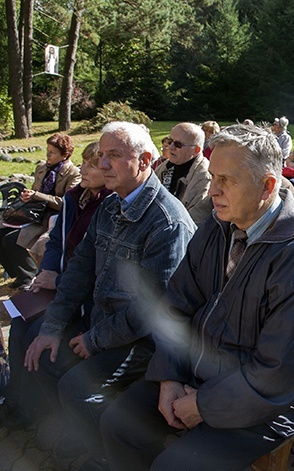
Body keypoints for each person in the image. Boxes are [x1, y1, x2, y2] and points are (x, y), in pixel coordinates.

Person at [100, 124, 294, 471]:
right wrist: (169, 377)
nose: (212, 190)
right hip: (198, 372)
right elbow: (176, 307)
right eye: (212, 176)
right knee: (117, 424)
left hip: (272, 401)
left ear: (267, 186)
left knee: (175, 466)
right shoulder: (217, 227)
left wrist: (204, 404)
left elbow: (283, 374)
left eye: (226, 180)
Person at [23, 122, 196, 470]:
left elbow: (152, 311)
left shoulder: (166, 222)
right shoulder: (112, 204)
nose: (102, 165)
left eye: (114, 156)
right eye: (101, 155)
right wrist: (53, 327)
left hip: (149, 342)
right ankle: (83, 438)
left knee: (77, 388)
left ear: (146, 160)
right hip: (106, 326)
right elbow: (79, 270)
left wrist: (94, 340)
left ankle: (110, 457)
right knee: (41, 353)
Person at [0, 142, 112, 431]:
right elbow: (56, 241)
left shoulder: (107, 206)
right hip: (60, 287)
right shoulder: (76, 198)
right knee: (19, 323)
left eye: (90, 164)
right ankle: (16, 398)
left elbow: (97, 267)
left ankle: (36, 410)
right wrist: (47, 271)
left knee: (37, 333)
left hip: (81, 297)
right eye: (84, 163)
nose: (83, 169)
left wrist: (58, 280)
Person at [0, 133, 81, 290]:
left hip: (52, 218)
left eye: (52, 152)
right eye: (47, 150)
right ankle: (17, 273)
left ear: (65, 154)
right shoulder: (42, 168)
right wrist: (27, 196)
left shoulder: (73, 173)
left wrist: (37, 196)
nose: (48, 155)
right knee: (0, 233)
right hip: (32, 213)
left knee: (12, 240)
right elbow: (35, 191)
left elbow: (66, 203)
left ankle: (28, 276)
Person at [155, 123, 212, 225]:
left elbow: (194, 220)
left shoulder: (203, 177)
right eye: (170, 141)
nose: (170, 147)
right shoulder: (165, 166)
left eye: (178, 145)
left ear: (196, 150)